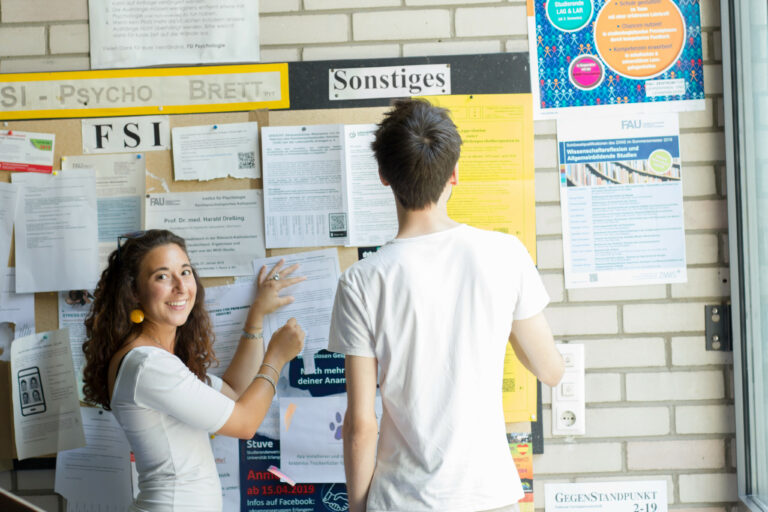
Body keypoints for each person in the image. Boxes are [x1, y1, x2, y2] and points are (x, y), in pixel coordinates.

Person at [328, 99, 565, 512]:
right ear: (454, 174)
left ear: (383, 176)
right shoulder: (505, 254)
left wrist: (358, 507)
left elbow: (360, 425)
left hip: (403, 501)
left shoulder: (362, 281)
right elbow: (550, 369)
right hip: (489, 496)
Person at [82, 229, 305, 512]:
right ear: (134, 292)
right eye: (162, 276)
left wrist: (256, 317)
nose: (181, 287)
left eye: (185, 272)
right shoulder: (148, 365)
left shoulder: (157, 359)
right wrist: (276, 358)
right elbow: (245, 423)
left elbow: (234, 393)